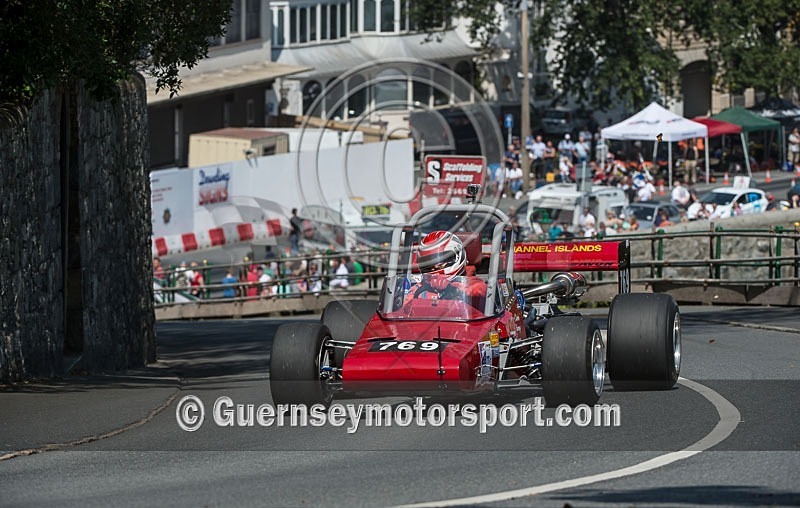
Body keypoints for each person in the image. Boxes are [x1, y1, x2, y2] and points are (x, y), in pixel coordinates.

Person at [407, 231, 486, 308]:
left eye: (440, 262)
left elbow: (480, 292)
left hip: (463, 320)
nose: (434, 267)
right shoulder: (419, 288)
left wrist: (452, 288)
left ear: (457, 256)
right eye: (428, 263)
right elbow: (403, 312)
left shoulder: (473, 284)